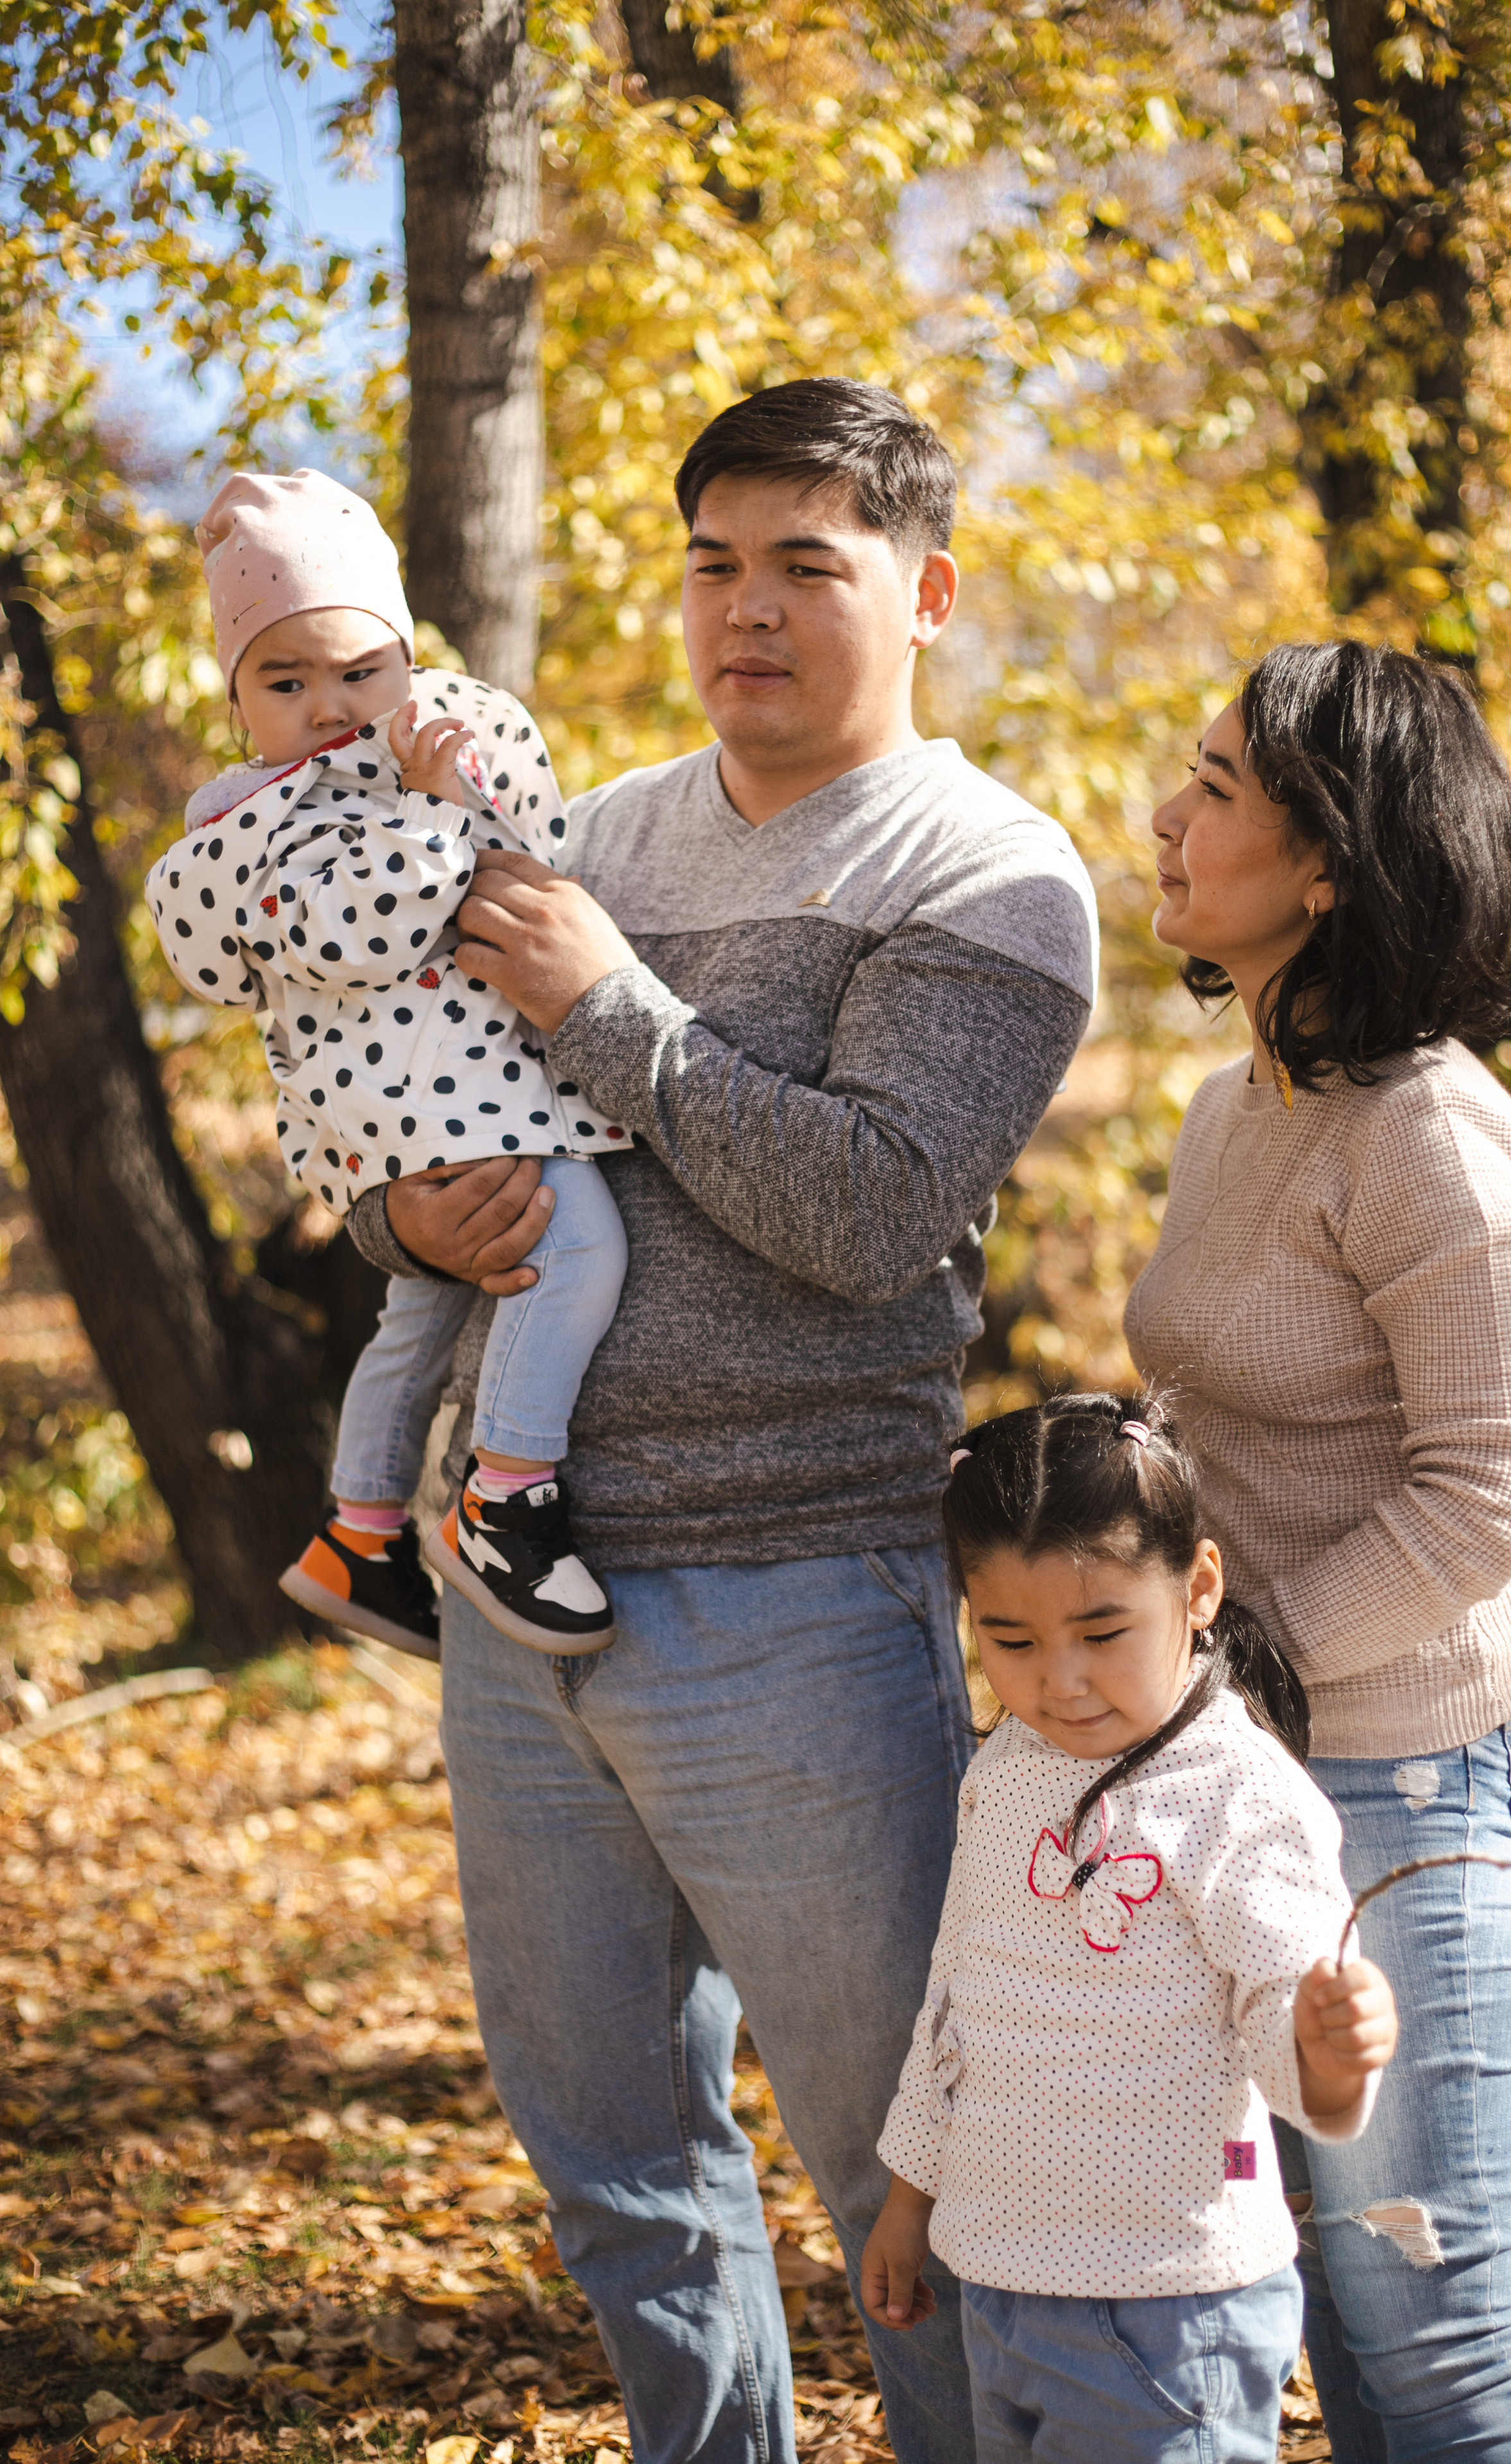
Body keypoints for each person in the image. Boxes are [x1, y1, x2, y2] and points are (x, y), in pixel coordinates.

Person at [345, 379, 1100, 2463]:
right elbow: (404, 1117)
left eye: (804, 566)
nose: (742, 610)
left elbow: (868, 1214)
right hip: (525, 1612)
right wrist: (410, 1214)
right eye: (712, 564)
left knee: (911, 2191)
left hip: (797, 1616)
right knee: (620, 2172)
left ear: (927, 592)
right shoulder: (590, 831)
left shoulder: (994, 874)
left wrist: (607, 1004)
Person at [1125, 640, 1511, 2462]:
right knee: (1332, 2315)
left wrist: (1241, 1657)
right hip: (1261, 1768)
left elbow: (1489, 1497)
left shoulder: (1442, 1147)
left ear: (1327, 864)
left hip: (1409, 1777)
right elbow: (1227, 1402)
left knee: (1431, 2322)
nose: (1169, 812)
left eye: (1218, 786)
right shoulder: (1244, 1103)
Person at [860, 1392, 1399, 2464]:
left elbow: (1287, 2038)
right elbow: (956, 2004)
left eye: (1102, 1632)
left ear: (1198, 1587)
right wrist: (909, 2200)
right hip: (1000, 2284)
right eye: (1008, 1639)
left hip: (1165, 2304)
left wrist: (1332, 2056)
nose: (1058, 1681)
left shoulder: (1239, 1797)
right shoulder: (1007, 1770)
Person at [146, 468, 628, 1659]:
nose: (330, 707)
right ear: (237, 697)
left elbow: (536, 856)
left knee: (416, 1316)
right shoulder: (254, 824)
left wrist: (456, 786)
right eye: (286, 680)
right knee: (576, 1247)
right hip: (428, 1097)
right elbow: (367, 932)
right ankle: (505, 1499)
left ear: (406, 659)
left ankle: (361, 1533)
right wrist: (422, 810)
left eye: (361, 672)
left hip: (447, 1093)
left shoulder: (426, 751)